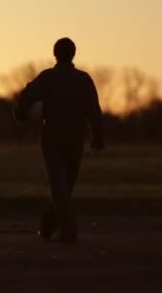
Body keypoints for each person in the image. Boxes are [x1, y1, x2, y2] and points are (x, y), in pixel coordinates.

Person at [13, 37, 104, 243]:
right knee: (65, 185)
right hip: (74, 137)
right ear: (73, 54)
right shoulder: (83, 79)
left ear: (55, 54)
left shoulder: (48, 77)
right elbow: (94, 110)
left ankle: (49, 223)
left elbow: (26, 98)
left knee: (60, 186)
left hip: (52, 136)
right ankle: (68, 230)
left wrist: (19, 113)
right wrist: (98, 135)